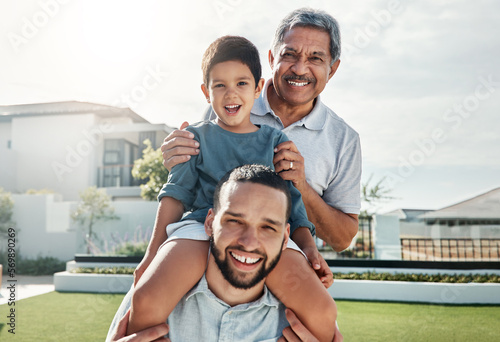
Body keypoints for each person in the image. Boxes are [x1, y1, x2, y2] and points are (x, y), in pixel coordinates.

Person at [127, 36, 336, 341]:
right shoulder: (193, 137)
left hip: (265, 232)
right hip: (200, 227)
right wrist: (150, 255)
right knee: (146, 299)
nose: (230, 94)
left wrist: (309, 250)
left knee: (322, 311)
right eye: (219, 85)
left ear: (257, 88)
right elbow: (175, 194)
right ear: (205, 92)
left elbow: (294, 203)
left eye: (241, 83)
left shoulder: (275, 141)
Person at [162, 8, 362, 253]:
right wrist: (178, 158)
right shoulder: (230, 104)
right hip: (212, 248)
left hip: (280, 257)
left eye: (315, 58)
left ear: (332, 69)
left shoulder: (344, 140)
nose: (300, 69)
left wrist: (300, 185)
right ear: (271, 59)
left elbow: (342, 240)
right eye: (290, 54)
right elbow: (191, 185)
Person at [108, 165, 340, 341]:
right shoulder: (148, 299)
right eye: (234, 221)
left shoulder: (305, 326)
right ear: (209, 223)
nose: (249, 242)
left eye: (268, 227)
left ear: (285, 238)